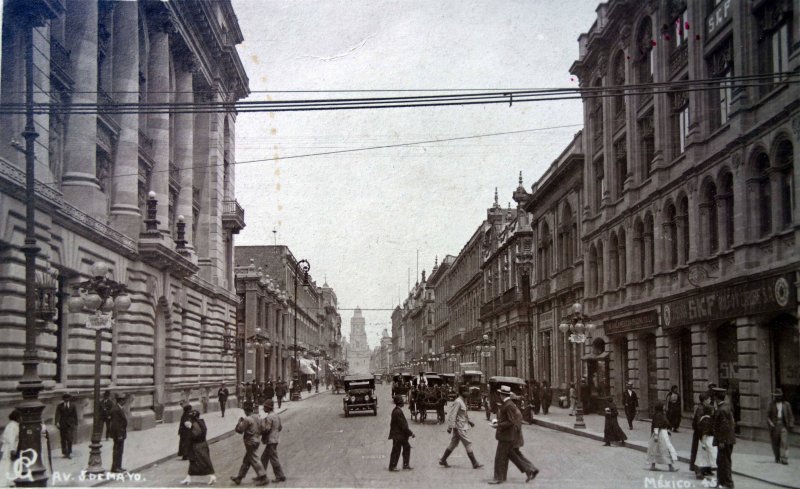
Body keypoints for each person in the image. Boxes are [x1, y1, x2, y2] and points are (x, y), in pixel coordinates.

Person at [489, 386, 538, 484]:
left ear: (503, 395)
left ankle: (499, 478)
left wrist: (498, 425)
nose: (499, 395)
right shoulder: (509, 404)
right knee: (510, 455)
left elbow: (510, 421)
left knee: (500, 457)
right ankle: (529, 470)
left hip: (507, 436)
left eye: (500, 394)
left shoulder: (508, 405)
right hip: (509, 435)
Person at [439, 389, 482, 469]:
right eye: (466, 391)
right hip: (459, 427)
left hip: (461, 426)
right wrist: (450, 427)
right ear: (462, 392)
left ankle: (443, 459)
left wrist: (469, 421)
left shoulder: (463, 401)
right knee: (467, 443)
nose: (468, 393)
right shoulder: (458, 402)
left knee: (453, 443)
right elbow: (453, 414)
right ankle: (474, 463)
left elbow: (464, 414)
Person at [230, 402, 267, 486]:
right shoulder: (258, 417)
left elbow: (239, 430)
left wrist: (239, 422)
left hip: (250, 442)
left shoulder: (247, 419)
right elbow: (263, 429)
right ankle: (239, 477)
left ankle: (263, 477)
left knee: (254, 459)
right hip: (256, 440)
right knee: (247, 460)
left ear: (246, 410)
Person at [181, 410, 216, 485]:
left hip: (198, 446)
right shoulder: (200, 422)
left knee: (203, 462)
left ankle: (212, 476)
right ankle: (188, 478)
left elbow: (196, 435)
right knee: (193, 462)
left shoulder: (195, 424)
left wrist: (189, 428)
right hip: (201, 445)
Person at [712, 387, 735, 488]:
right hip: (728, 439)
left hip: (724, 440)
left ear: (716, 398)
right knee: (721, 461)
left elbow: (724, 426)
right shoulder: (727, 407)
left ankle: (728, 483)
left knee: (724, 462)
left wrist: (721, 440)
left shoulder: (721, 410)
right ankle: (721, 482)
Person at [646, 401, 678, 472]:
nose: (665, 407)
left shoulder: (660, 414)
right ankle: (670, 467)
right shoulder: (659, 415)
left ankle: (653, 465)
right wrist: (656, 435)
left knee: (656, 449)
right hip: (660, 434)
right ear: (661, 407)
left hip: (661, 433)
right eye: (663, 406)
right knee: (665, 449)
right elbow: (656, 426)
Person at [260, 399, 286, 483]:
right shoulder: (276, 415)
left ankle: (280, 476)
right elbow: (280, 427)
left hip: (270, 441)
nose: (263, 408)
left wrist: (261, 431)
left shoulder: (269, 417)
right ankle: (261, 475)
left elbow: (266, 429)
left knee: (273, 459)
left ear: (268, 408)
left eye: (264, 407)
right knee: (264, 458)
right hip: (275, 439)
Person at [767, 388, 794, 465]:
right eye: (775, 396)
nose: (777, 397)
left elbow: (791, 416)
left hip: (783, 425)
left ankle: (784, 459)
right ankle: (777, 456)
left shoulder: (786, 405)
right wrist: (770, 423)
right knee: (775, 443)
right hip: (774, 426)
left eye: (779, 396)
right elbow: (767, 416)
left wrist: (791, 424)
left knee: (784, 442)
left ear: (781, 396)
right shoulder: (771, 404)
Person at [388, 395, 414, 471]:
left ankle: (404, 465)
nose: (403, 402)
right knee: (397, 450)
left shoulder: (396, 410)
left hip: (399, 434)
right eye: (402, 401)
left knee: (405, 447)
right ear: (399, 403)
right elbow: (403, 426)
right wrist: (411, 433)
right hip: (399, 435)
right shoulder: (398, 412)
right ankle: (393, 466)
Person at [694, 403, 717, 479]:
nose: (713, 411)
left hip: (704, 440)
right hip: (707, 440)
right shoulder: (707, 420)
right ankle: (700, 472)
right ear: (709, 411)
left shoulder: (703, 418)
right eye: (712, 410)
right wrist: (704, 443)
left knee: (703, 457)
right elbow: (705, 432)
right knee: (706, 456)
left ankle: (703, 471)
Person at [0, 409, 21, 488]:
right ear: (17, 417)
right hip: (10, 447)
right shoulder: (13, 426)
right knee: (9, 464)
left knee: (7, 464)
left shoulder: (11, 425)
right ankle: (8, 481)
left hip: (7, 447)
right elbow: (11, 438)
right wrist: (13, 449)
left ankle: (9, 481)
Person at [109, 394, 129, 473]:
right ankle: (115, 467)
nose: (125, 402)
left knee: (120, 451)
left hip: (120, 434)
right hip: (118, 434)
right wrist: (119, 435)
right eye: (124, 400)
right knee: (117, 450)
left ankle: (118, 466)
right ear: (120, 400)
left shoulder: (119, 408)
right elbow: (116, 424)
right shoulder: (116, 409)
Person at [54, 393, 78, 459]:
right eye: (65, 398)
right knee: (63, 439)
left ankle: (69, 452)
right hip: (63, 424)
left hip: (70, 424)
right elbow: (57, 414)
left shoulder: (73, 405)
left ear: (69, 398)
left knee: (70, 439)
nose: (66, 399)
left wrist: (76, 424)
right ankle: (64, 453)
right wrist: (57, 422)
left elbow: (75, 415)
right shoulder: (60, 406)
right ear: (63, 399)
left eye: (68, 398)